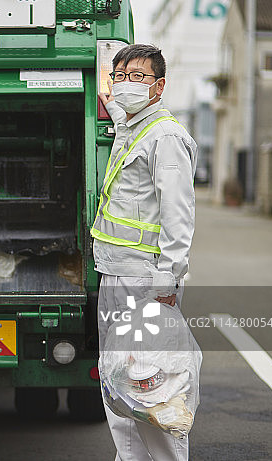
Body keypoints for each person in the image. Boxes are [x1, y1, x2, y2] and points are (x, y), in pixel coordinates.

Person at [92, 44, 198, 460]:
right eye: (121, 76)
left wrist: (166, 279)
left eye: (138, 76)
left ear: (159, 87)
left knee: (156, 387)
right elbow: (123, 129)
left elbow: (178, 213)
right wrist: (115, 108)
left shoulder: (166, 137)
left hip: (144, 280)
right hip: (117, 275)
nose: (127, 83)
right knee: (121, 383)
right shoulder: (135, 128)